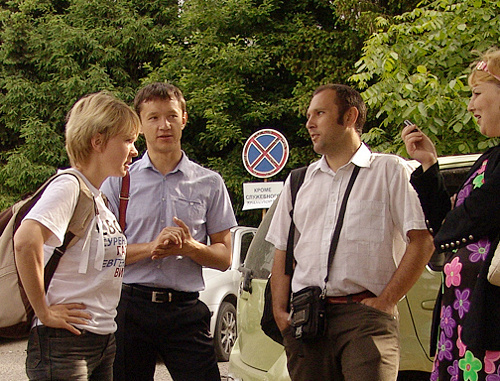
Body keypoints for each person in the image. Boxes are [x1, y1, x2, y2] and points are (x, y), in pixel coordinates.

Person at [266, 83, 435, 381]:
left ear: (350, 117)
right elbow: (282, 249)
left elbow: (423, 241)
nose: (309, 123)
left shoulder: (390, 171)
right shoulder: (298, 181)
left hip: (366, 317)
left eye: (320, 113)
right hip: (308, 319)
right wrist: (281, 312)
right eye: (309, 115)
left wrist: (385, 302)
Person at [100, 82, 237, 381]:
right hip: (129, 308)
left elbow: (224, 257)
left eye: (172, 116)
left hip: (185, 311)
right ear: (139, 125)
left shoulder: (209, 183)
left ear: (184, 119)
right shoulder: (118, 181)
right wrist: (152, 247)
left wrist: (190, 248)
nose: (164, 125)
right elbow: (103, 255)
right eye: (153, 117)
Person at [14, 92, 140, 380]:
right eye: (128, 140)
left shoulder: (99, 199)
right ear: (97, 142)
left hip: (102, 339)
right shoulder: (69, 187)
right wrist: (44, 312)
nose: (134, 151)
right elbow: (25, 241)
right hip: (64, 344)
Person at [402, 49, 500, 381]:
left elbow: (455, 224)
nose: (470, 106)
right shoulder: (490, 159)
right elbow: (449, 223)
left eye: (476, 93)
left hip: (489, 327)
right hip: (469, 320)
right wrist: (429, 164)